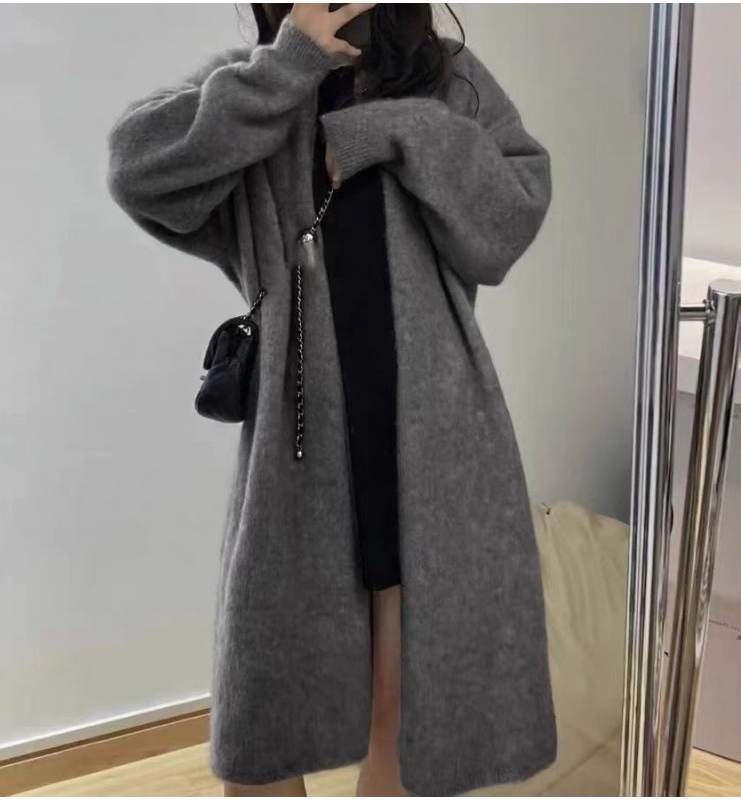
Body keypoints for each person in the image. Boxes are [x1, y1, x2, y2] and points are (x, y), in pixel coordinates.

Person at [107, 4, 557, 796]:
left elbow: (509, 219)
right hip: (300, 453)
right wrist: (286, 68)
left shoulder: (445, 81)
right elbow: (138, 168)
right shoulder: (257, 85)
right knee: (266, 720)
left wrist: (398, 130)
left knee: (403, 720)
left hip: (432, 441)